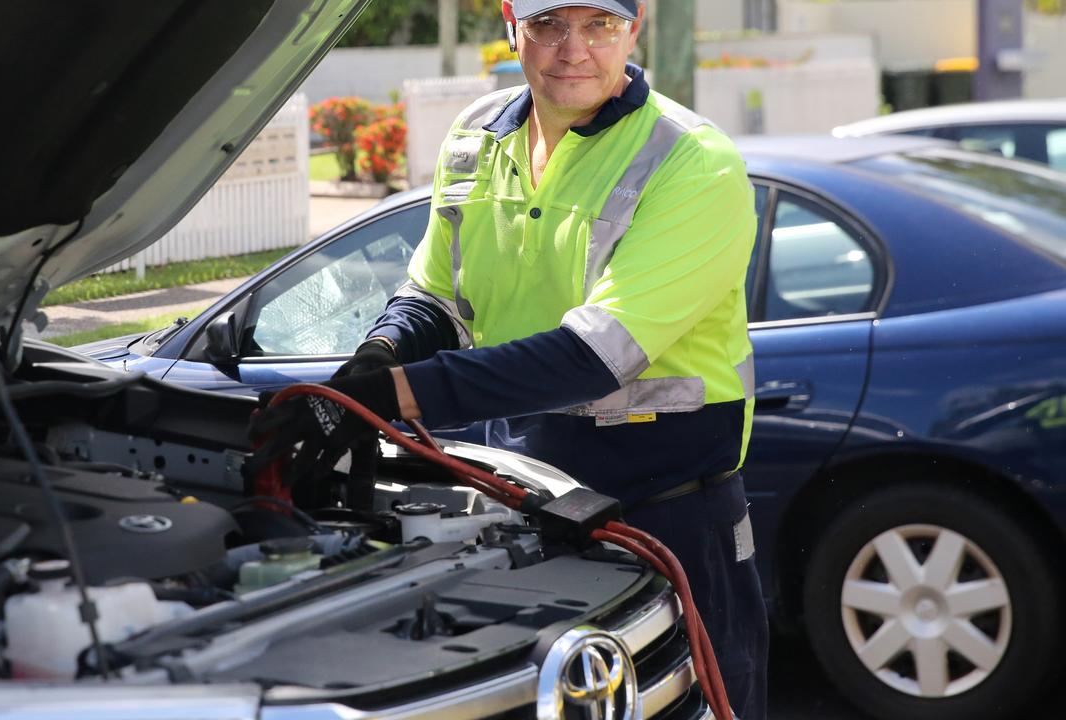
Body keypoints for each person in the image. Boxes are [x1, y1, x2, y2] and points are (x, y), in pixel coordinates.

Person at [248, 1, 767, 716]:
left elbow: (595, 355)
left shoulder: (691, 161)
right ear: (509, 23)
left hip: (670, 524)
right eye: (549, 25)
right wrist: (370, 364)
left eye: (599, 26)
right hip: (524, 510)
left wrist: (393, 396)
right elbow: (436, 296)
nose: (572, 50)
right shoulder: (475, 137)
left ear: (635, 27)